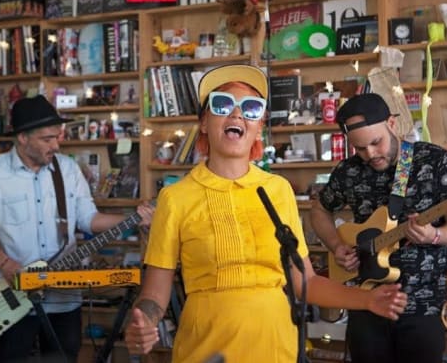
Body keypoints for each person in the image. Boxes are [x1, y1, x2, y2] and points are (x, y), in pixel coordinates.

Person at [124, 64, 407, 362]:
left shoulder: (278, 190)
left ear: (259, 127)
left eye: (250, 108)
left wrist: (367, 299)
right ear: (204, 122)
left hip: (276, 348)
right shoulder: (175, 198)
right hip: (207, 350)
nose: (236, 115)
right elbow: (154, 295)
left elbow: (303, 282)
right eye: (222, 104)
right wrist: (143, 321)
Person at [0, 95, 154, 362]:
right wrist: (4, 262)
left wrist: (133, 217)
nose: (56, 145)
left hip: (63, 298)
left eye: (57, 137)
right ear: (22, 138)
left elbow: (89, 219)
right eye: (47, 139)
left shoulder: (67, 169)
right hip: (10, 295)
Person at [309, 93, 447, 363]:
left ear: (392, 124)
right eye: (360, 149)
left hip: (421, 306)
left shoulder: (434, 161)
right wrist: (336, 245)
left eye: (376, 142)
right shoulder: (348, 171)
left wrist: (434, 235)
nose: (370, 154)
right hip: (365, 300)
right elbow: (319, 210)